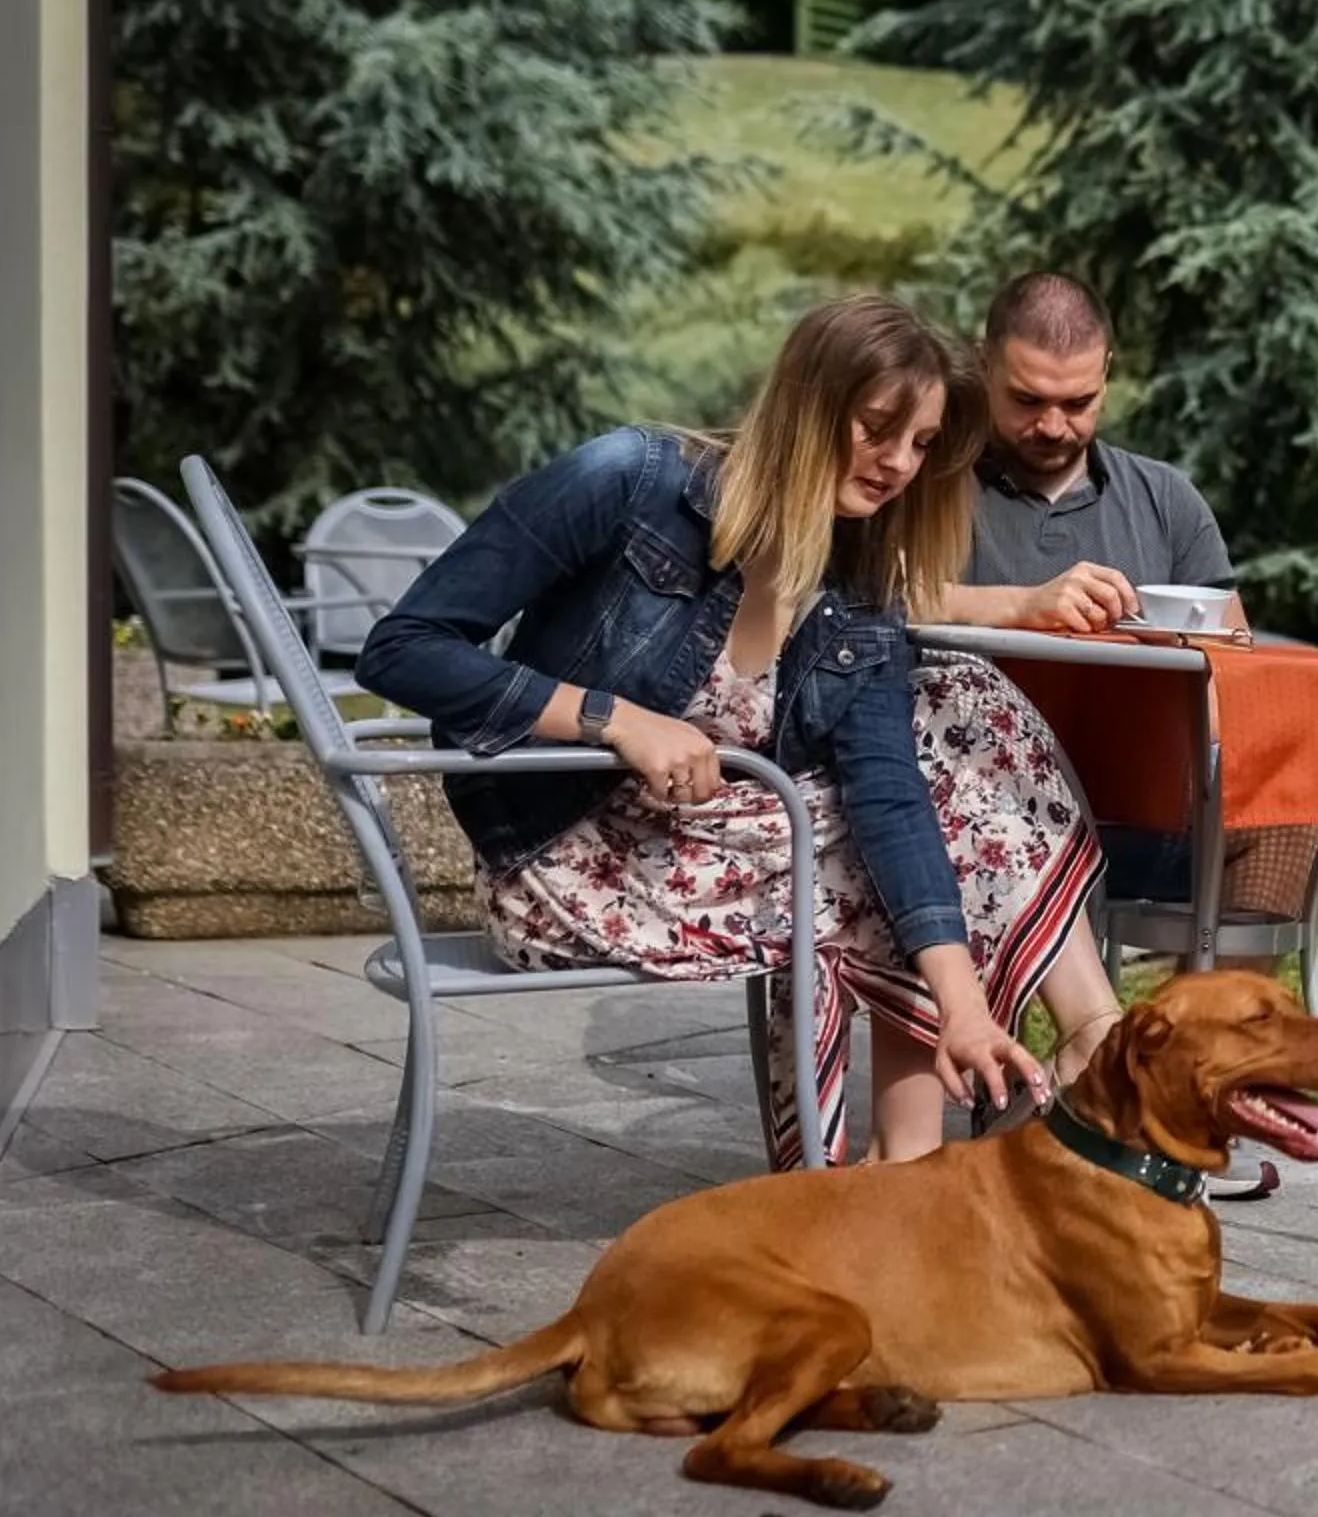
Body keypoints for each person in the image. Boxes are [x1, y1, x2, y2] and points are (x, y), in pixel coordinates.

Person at [357, 295, 1128, 1170]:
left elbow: (887, 787)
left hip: (728, 847)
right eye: (878, 428)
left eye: (920, 445)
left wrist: (964, 1009)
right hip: (564, 855)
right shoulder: (631, 480)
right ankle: (915, 1156)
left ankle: (905, 1153)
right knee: (909, 787)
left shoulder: (856, 568)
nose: (898, 465)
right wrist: (613, 720)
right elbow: (404, 649)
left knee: (928, 763)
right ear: (807, 404)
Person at [941, 271, 1245, 905]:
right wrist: (1021, 606)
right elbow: (865, 599)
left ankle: (1217, 1006)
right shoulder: (927, 484)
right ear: (982, 363)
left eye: (1078, 403)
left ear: (1106, 372)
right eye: (1027, 400)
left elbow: (1235, 661)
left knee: (1283, 813)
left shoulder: (1165, 499)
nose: (1053, 425)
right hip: (975, 803)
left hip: (1144, 813)